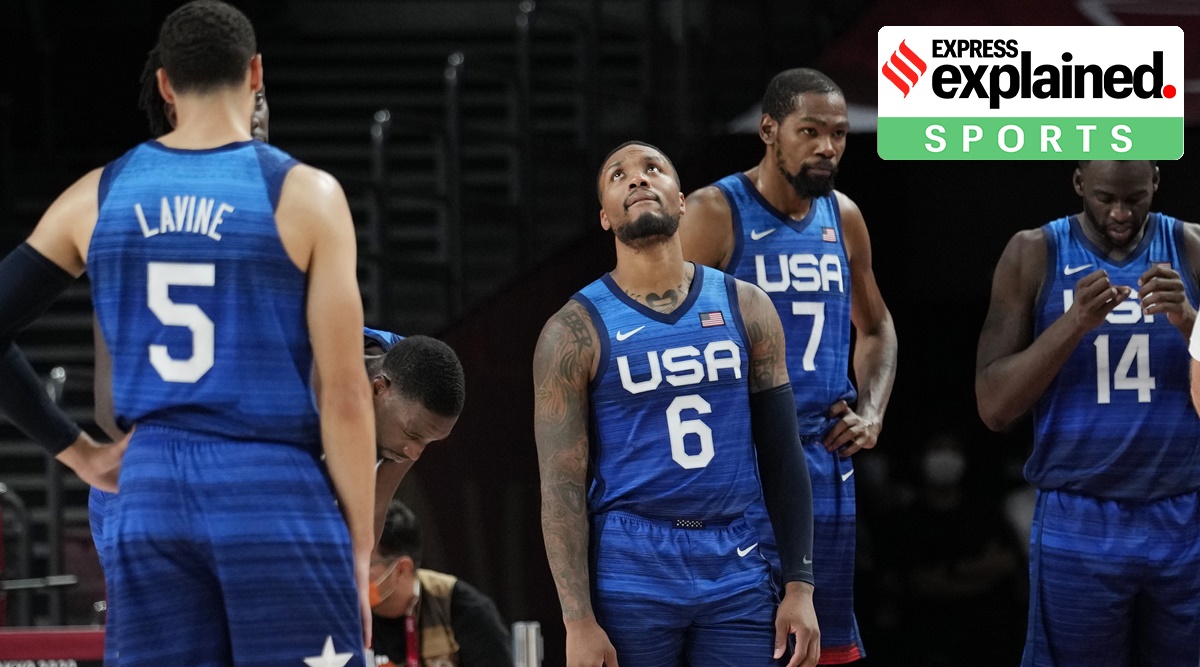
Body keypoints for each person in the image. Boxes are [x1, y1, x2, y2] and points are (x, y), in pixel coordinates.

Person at [0, 2, 376, 664]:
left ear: (165, 84)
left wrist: (78, 451)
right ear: (255, 73)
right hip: (270, 480)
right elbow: (346, 395)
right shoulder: (306, 195)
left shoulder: (96, 195)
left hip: (149, 489)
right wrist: (362, 544)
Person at [533, 140, 820, 667]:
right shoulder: (571, 330)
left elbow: (783, 453)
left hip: (733, 549)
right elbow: (560, 487)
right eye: (618, 175)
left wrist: (800, 586)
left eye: (652, 169)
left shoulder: (747, 305)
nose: (638, 180)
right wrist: (577, 621)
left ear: (683, 199)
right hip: (632, 556)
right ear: (604, 218)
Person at [679, 68, 896, 665]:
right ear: (770, 131)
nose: (827, 147)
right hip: (743, 464)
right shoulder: (712, 212)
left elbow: (876, 327)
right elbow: (663, 339)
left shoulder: (843, 216)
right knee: (745, 642)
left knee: (825, 645)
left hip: (823, 459)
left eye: (839, 134)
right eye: (810, 131)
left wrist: (871, 410)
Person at [976, 160, 1200, 666]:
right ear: (1079, 184)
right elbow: (993, 407)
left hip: (1184, 510)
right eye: (1105, 198)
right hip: (1079, 515)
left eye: (1135, 198)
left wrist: (1190, 322)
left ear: (1157, 182)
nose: (1121, 213)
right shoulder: (1034, 251)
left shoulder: (1191, 247)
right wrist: (1072, 324)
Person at [370, 500, 513, 667]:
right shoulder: (342, 613)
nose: (348, 574)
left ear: (402, 569)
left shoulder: (465, 611)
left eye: (361, 563)